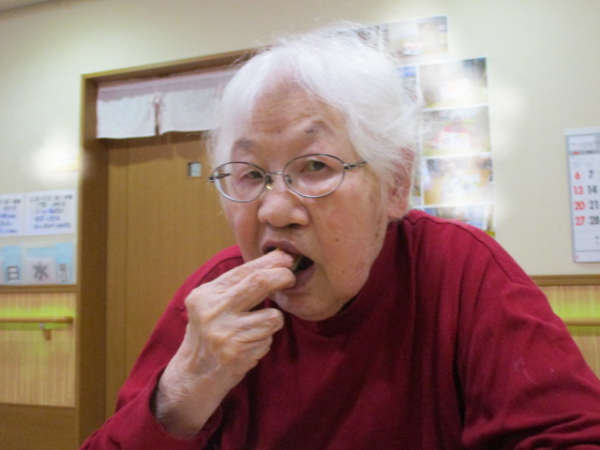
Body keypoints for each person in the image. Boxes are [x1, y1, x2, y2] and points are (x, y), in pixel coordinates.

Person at [81, 23, 600, 449]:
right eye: (250, 174)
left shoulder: (458, 270)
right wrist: (181, 393)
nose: (274, 210)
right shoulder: (213, 300)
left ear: (394, 184)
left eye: (315, 166)